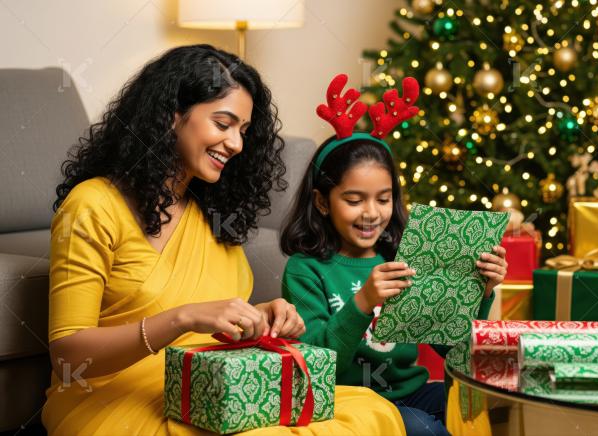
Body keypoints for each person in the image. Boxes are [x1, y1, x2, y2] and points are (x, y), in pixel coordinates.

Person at [43, 45, 405, 435]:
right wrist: (182, 319)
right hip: (114, 395)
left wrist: (262, 315)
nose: (235, 144)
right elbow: (69, 354)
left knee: (371, 410)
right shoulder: (93, 206)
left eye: (244, 131)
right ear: (171, 115)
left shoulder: (210, 213)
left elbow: (215, 323)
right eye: (223, 123)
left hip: (214, 385)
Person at [280, 74, 508, 436]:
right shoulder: (305, 270)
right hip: (351, 400)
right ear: (323, 202)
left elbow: (450, 344)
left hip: (410, 391)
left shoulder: (405, 255)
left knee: (488, 406)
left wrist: (479, 291)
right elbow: (316, 367)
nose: (371, 212)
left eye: (383, 199)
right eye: (354, 200)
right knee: (426, 430)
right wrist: (362, 303)